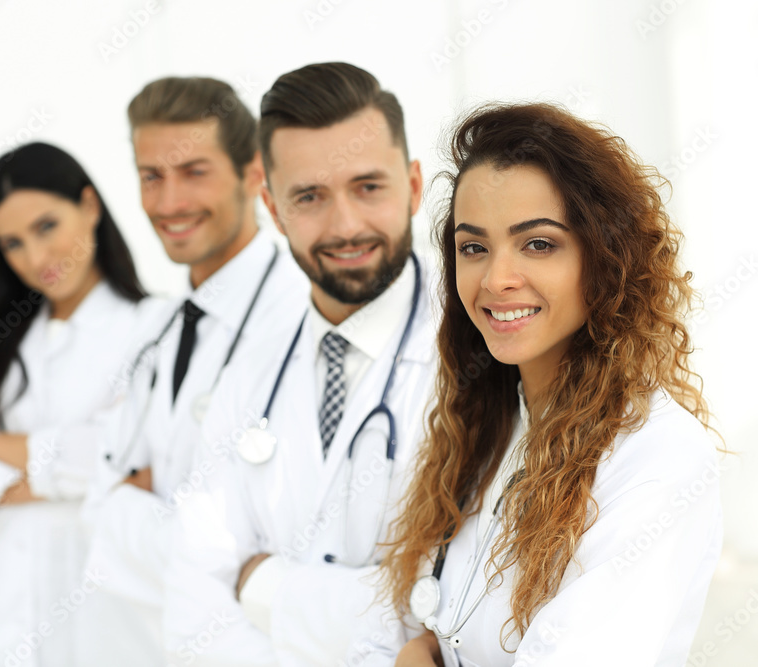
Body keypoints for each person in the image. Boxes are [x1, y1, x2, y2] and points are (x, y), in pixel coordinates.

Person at [377, 103, 723, 666]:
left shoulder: (658, 455)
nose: (496, 279)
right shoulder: (480, 430)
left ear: (605, 256)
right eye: (474, 247)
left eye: (538, 243)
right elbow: (390, 631)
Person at [162, 62, 437, 666]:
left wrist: (264, 586)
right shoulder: (249, 371)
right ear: (273, 206)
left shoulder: (479, 359)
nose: (345, 226)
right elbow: (191, 602)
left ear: (414, 186)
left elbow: (455, 611)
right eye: (309, 196)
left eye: (369, 186)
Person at [76, 76, 309, 664]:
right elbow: (96, 501)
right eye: (151, 176)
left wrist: (126, 509)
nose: (169, 202)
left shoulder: (298, 318)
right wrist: (132, 512)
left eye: (194, 172)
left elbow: (259, 554)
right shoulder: (162, 326)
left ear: (254, 174)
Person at [0, 142, 150, 666]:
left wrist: (1, 452)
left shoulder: (154, 329)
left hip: (109, 626)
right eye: (13, 243)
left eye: (47, 226)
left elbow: (138, 461)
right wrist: (72, 473)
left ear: (89, 206)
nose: (36, 258)